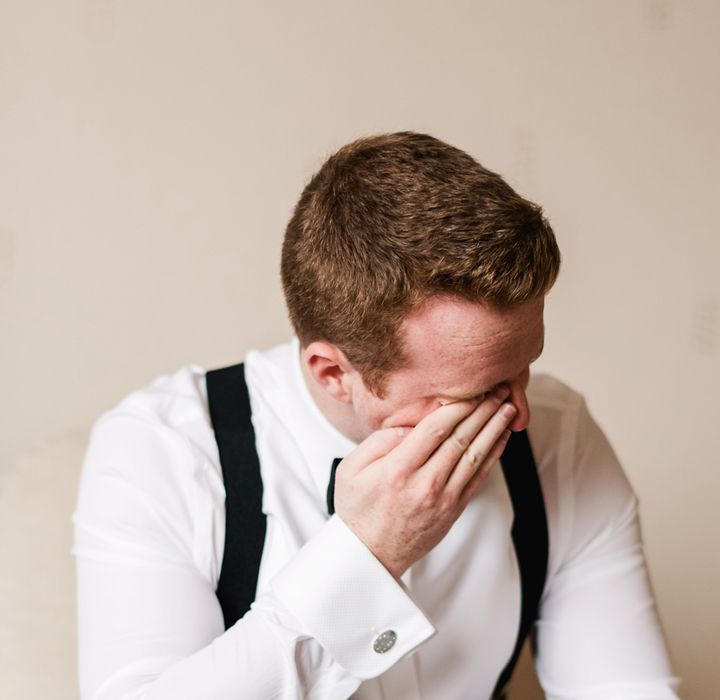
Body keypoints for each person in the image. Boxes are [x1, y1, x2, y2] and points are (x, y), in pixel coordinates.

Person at [73, 132, 679, 699]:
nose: (517, 415)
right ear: (334, 373)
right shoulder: (162, 449)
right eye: (475, 393)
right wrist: (366, 553)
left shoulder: (559, 435)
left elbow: (626, 686)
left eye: (523, 368)